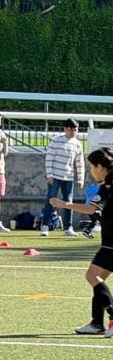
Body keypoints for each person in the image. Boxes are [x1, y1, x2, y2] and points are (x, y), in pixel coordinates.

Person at [51, 148, 113, 337]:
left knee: (92, 276)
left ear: (100, 167)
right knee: (99, 279)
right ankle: (97, 323)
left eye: (91, 167)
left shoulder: (107, 186)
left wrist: (64, 204)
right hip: (109, 242)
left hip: (111, 244)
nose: (91, 171)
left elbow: (90, 208)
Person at [40, 118, 85, 237]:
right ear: (65, 129)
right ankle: (45, 226)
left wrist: (80, 179)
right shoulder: (56, 141)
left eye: (75, 130)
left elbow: (80, 162)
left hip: (69, 178)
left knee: (68, 202)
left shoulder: (77, 144)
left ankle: (68, 227)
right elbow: (49, 158)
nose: (73, 132)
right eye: (71, 130)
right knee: (50, 201)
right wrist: (49, 175)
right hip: (55, 177)